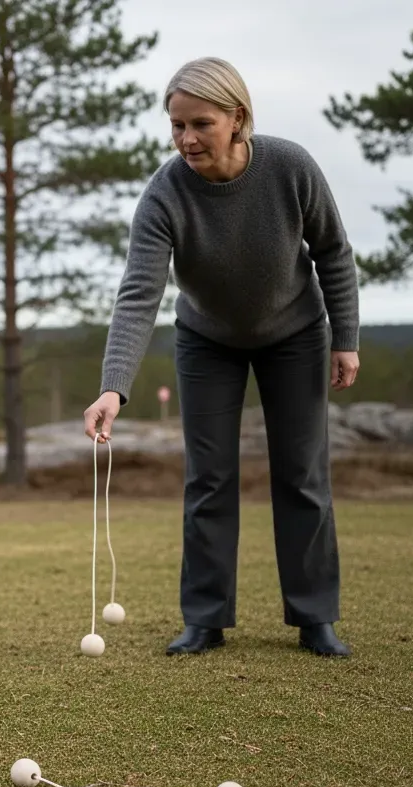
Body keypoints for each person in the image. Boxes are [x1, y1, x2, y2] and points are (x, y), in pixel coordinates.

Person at [83, 57, 359, 658]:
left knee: (302, 475)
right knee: (208, 479)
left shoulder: (290, 167)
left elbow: (334, 252)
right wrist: (114, 387)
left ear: (238, 118)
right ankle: (205, 619)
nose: (186, 139)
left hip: (296, 334)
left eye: (200, 124)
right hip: (207, 342)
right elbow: (139, 295)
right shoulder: (164, 193)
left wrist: (346, 338)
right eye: (176, 125)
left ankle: (315, 618)